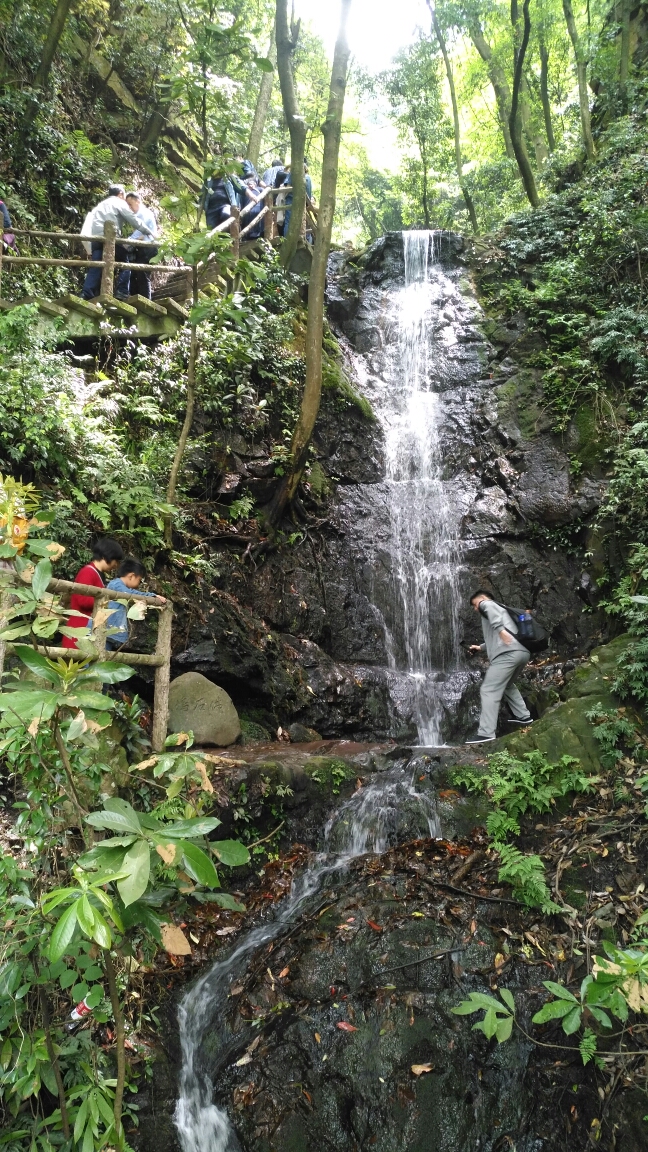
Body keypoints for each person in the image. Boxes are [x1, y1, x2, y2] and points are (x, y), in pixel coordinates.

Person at [465, 590, 534, 744]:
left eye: (475, 604)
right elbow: (502, 635)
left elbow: (500, 629)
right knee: (507, 684)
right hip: (522, 652)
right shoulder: (503, 610)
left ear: (482, 599)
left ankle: (486, 733)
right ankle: (524, 717)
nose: (476, 609)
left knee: (489, 689)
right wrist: (480, 647)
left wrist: (500, 630)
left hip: (507, 655)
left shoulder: (487, 604)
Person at [80, 185, 153, 301]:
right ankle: (122, 292)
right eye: (123, 196)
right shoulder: (119, 202)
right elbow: (133, 220)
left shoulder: (100, 205)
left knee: (96, 266)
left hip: (96, 239)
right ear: (120, 194)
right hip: (110, 239)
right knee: (125, 263)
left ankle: (86, 293)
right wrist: (149, 231)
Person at [62, 538, 124, 650]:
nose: (116, 565)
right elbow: (83, 600)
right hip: (80, 631)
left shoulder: (99, 574)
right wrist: (108, 603)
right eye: (116, 561)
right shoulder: (88, 572)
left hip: (88, 631)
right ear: (107, 557)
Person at [105, 558, 166, 650]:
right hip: (106, 630)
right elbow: (131, 594)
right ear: (131, 576)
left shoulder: (117, 585)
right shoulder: (116, 584)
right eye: (139, 579)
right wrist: (152, 596)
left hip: (108, 632)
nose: (138, 584)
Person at [121, 191, 159, 300]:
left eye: (130, 204)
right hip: (142, 247)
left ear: (138, 201)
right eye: (127, 204)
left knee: (142, 273)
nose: (129, 207)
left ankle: (146, 301)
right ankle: (136, 298)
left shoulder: (144, 213)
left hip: (149, 247)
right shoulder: (138, 215)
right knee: (135, 272)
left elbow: (140, 231)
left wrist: (126, 243)